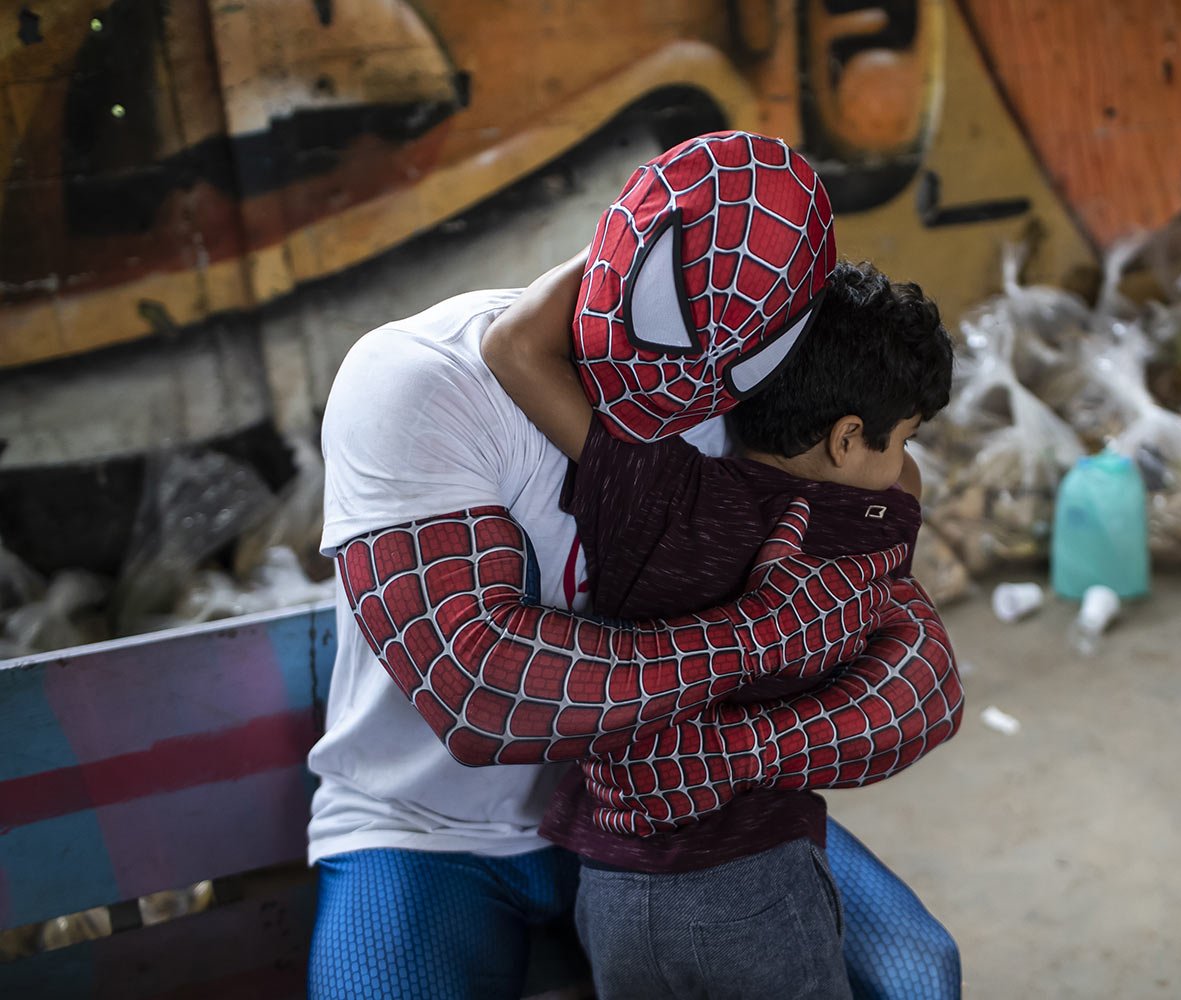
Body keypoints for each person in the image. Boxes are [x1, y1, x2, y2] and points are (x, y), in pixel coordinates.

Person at [307, 131, 963, 999]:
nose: (672, 385)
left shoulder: (753, 389)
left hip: (679, 817)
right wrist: (752, 639)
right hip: (426, 827)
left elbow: (914, 661)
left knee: (921, 976)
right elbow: (487, 693)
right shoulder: (420, 380)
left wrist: (738, 750)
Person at [488, 253, 959, 999]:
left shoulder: (661, 492)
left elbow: (513, 345)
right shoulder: (872, 524)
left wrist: (653, 236)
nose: (904, 462)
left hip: (611, 886)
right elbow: (902, 482)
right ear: (844, 440)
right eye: (901, 437)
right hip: (755, 886)